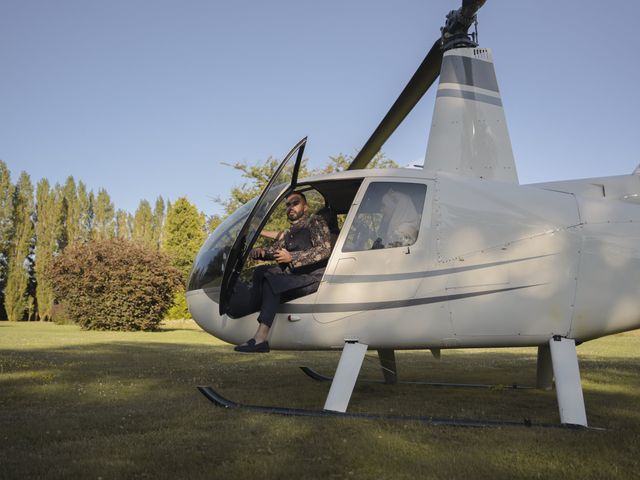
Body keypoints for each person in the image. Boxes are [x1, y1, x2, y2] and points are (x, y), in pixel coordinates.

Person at [228, 190, 332, 353]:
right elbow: (275, 250)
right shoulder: (290, 232)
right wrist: (261, 252)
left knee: (274, 278)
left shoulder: (315, 221)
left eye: (295, 203)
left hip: (313, 278)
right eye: (288, 205)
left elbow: (324, 249)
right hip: (295, 278)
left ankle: (260, 338)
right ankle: (245, 309)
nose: (291, 207)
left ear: (305, 207)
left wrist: (292, 257)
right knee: (263, 271)